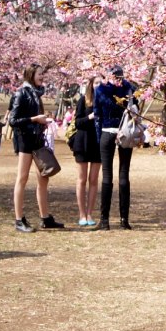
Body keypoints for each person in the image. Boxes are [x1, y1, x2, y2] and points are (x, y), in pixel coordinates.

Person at [7, 64, 64, 233]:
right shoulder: (21, 93)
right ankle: (19, 220)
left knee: (44, 178)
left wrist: (44, 123)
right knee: (22, 178)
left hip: (38, 139)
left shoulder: (36, 93)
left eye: (42, 74)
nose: (42, 77)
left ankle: (45, 218)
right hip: (25, 141)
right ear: (31, 75)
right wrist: (34, 119)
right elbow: (13, 120)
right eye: (39, 74)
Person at [92, 65, 137, 229]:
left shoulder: (100, 90)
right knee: (124, 174)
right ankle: (124, 220)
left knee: (107, 176)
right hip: (125, 132)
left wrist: (100, 137)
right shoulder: (129, 88)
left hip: (107, 132)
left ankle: (104, 220)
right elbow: (134, 111)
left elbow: (97, 115)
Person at [67, 77, 101, 227]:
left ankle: (89, 213)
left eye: (102, 82)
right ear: (91, 84)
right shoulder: (83, 100)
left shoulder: (106, 101)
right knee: (82, 180)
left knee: (93, 180)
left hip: (98, 143)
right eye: (97, 82)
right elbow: (78, 122)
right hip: (83, 142)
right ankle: (81, 214)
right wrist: (90, 117)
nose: (99, 85)